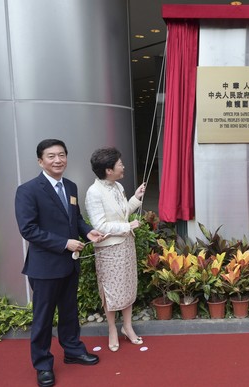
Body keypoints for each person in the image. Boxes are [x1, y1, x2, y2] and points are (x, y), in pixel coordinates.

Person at [15, 139, 103, 387]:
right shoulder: (28, 190)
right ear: (40, 161)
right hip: (44, 267)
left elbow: (75, 218)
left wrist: (88, 232)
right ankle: (42, 365)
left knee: (69, 312)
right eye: (51, 156)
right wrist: (65, 243)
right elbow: (28, 230)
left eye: (61, 155)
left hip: (69, 264)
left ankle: (73, 350)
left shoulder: (71, 186)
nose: (57, 160)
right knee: (43, 318)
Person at [85, 147, 146, 352]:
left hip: (126, 245)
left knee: (128, 285)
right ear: (108, 170)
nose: (123, 166)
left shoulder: (118, 186)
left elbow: (123, 212)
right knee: (110, 291)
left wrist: (136, 198)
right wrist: (127, 227)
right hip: (108, 250)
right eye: (120, 164)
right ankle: (112, 329)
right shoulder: (94, 192)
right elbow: (100, 225)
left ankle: (127, 327)